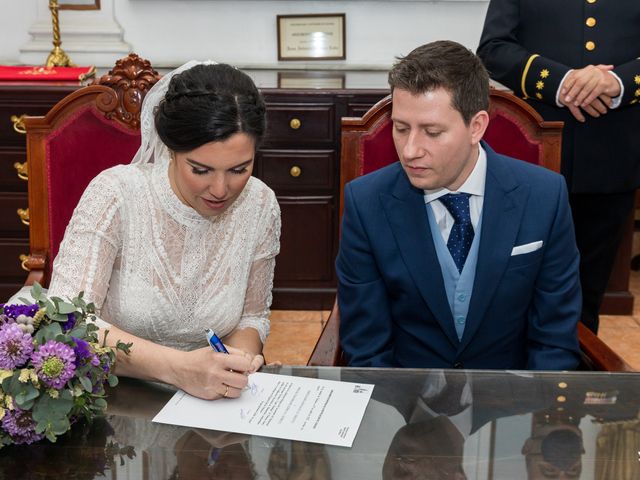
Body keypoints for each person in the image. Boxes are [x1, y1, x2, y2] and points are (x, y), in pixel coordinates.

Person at [336, 40, 581, 370]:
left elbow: (553, 338)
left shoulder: (545, 196)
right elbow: (367, 346)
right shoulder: (364, 204)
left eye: (432, 132)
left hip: (510, 402)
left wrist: (537, 414)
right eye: (401, 128)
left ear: (476, 126)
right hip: (407, 403)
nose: (409, 150)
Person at [44, 61, 281, 400]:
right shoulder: (115, 195)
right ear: (170, 149)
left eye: (239, 169)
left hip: (210, 402)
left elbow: (253, 317)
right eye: (200, 169)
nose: (220, 188)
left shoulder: (260, 205)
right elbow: (67, 322)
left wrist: (238, 362)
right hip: (111, 393)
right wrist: (180, 369)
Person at [477, 1, 640, 333]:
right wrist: (562, 83)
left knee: (587, 292)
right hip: (532, 154)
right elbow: (493, 49)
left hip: (613, 154)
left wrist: (617, 84)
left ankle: (576, 373)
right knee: (514, 281)